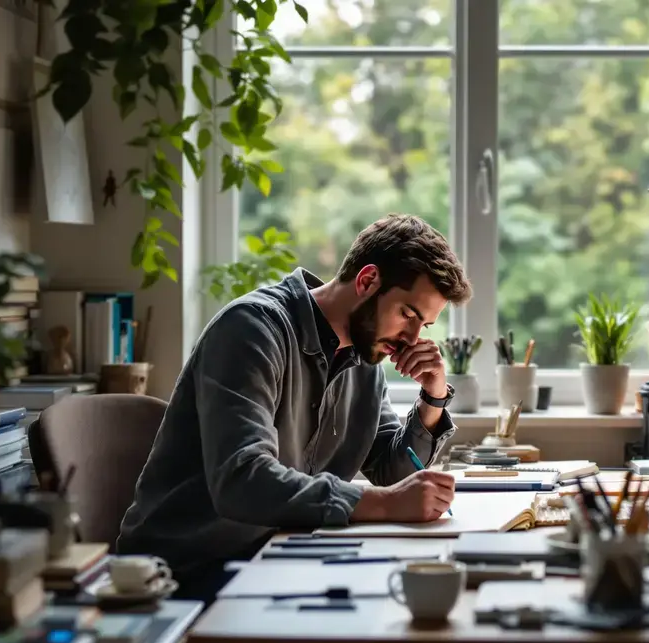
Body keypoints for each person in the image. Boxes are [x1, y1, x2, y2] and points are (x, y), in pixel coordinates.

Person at [116, 214, 473, 602]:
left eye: (425, 326)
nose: (412, 339)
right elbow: (242, 480)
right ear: (367, 281)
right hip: (187, 571)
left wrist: (433, 397)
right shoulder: (252, 329)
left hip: (280, 554)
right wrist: (384, 505)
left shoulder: (363, 357)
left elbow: (393, 474)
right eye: (408, 314)